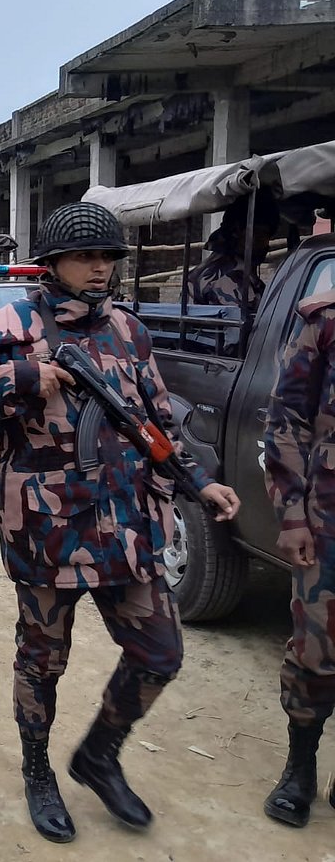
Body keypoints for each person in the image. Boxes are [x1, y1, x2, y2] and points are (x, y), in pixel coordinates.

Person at [0, 202, 240, 844]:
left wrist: (201, 479)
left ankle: (99, 755)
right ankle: (37, 770)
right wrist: (26, 376)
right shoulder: (10, 325)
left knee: (160, 652)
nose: (100, 267)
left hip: (128, 525)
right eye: (86, 257)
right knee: (43, 660)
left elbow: (158, 418)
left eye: (108, 257)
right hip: (48, 530)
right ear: (53, 264)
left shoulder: (128, 332)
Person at [262, 286, 335, 828]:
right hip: (328, 521)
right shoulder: (325, 320)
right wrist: (292, 513)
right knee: (316, 647)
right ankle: (300, 768)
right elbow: (286, 420)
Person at [185, 192, 279, 308]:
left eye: (266, 235)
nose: (264, 241)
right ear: (237, 232)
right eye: (260, 234)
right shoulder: (230, 279)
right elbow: (246, 323)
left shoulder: (212, 267)